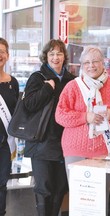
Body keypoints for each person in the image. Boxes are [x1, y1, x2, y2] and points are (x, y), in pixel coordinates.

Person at [55, 45, 110, 211]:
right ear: (82, 66)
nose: (91, 65)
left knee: (100, 200)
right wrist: (85, 117)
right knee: (80, 199)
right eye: (86, 63)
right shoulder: (73, 86)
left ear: (103, 63)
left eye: (95, 61)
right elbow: (60, 115)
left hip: (104, 150)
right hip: (75, 150)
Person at [23, 39, 75, 216]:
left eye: (59, 53)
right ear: (45, 57)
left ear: (64, 56)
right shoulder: (38, 78)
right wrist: (47, 89)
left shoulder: (72, 80)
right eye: (51, 53)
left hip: (65, 142)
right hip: (41, 142)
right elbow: (29, 105)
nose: (55, 57)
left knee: (61, 187)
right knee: (44, 188)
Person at [0, 38, 19, 216]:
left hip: (5, 144)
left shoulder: (13, 82)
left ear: (7, 55)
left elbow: (16, 113)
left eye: (2, 51)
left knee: (1, 185)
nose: (0, 55)